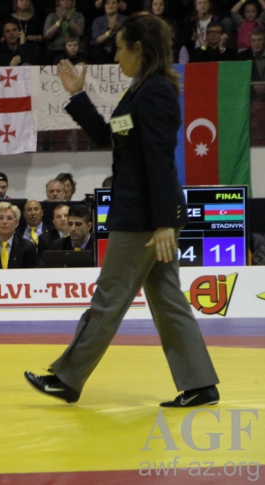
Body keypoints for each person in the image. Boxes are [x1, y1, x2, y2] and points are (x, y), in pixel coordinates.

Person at [25, 12, 219, 407]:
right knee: (167, 298)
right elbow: (109, 136)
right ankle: (200, 384)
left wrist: (165, 223)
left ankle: (67, 378)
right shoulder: (141, 90)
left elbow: (160, 161)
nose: (115, 57)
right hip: (147, 216)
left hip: (144, 220)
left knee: (109, 297)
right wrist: (78, 95)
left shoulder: (155, 93)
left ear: (138, 48)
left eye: (119, 48)